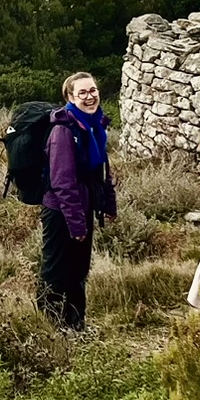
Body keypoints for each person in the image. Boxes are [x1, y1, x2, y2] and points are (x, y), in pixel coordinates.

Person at [37, 71, 117, 330]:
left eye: (93, 90)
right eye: (82, 92)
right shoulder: (63, 130)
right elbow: (62, 182)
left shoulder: (93, 125)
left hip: (83, 206)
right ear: (70, 97)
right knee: (56, 271)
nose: (89, 96)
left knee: (79, 269)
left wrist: (108, 204)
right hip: (60, 211)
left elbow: (102, 170)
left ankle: (76, 324)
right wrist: (76, 224)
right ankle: (50, 328)